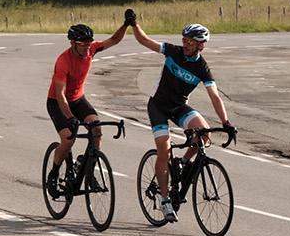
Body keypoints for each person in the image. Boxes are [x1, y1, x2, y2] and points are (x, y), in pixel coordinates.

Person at [127, 13, 233, 223]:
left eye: (190, 42)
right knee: (164, 151)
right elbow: (145, 41)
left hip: (178, 107)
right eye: (184, 40)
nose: (185, 44)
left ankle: (184, 162)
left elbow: (215, 96)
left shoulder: (202, 68)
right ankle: (165, 200)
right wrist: (134, 24)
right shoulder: (173, 52)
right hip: (158, 106)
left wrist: (226, 123)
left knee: (204, 135)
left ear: (201, 46)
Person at [45, 16, 130, 195]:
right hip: (57, 102)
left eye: (88, 43)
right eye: (82, 44)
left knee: (96, 129)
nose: (86, 47)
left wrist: (126, 24)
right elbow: (60, 95)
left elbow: (114, 40)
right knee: (68, 138)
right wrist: (70, 118)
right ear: (72, 43)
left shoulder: (91, 50)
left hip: (78, 99)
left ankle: (89, 170)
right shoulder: (63, 61)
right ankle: (53, 174)